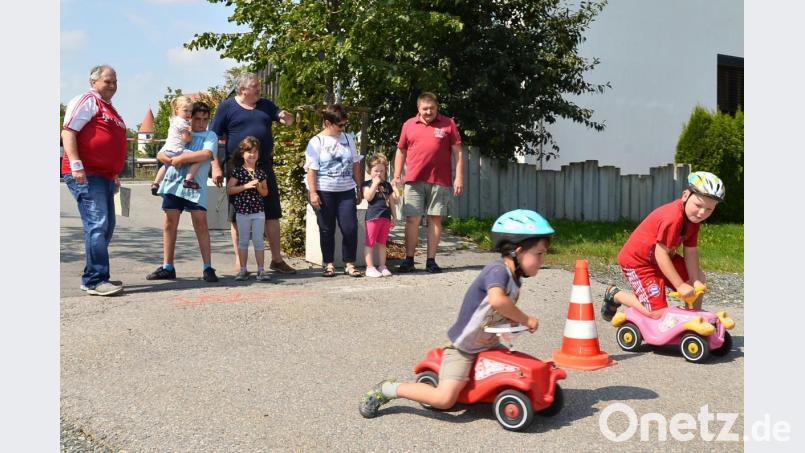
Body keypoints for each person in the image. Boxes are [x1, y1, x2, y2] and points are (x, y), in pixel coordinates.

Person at [359, 209, 553, 418]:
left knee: (520, 367)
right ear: (518, 251)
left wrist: (515, 325)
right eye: (539, 254)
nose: (542, 260)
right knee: (444, 400)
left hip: (488, 344)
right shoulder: (497, 271)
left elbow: (496, 312)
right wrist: (525, 318)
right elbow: (497, 300)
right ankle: (388, 389)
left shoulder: (515, 277)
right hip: (463, 348)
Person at [601, 171, 725, 321]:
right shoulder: (673, 218)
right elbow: (661, 254)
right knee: (657, 313)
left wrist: (694, 280)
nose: (701, 213)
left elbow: (691, 252)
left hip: (663, 260)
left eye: (709, 209)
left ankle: (693, 320)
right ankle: (616, 294)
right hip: (639, 263)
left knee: (698, 280)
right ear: (685, 195)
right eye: (698, 205)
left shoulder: (693, 220)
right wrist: (680, 286)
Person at [210, 73, 297, 274]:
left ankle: (277, 260)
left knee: (272, 213)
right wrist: (216, 166)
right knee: (238, 215)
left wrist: (287, 117)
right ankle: (241, 263)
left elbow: (287, 120)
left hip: (263, 167)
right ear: (242, 90)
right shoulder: (227, 107)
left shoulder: (266, 105)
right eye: (255, 86)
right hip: (237, 167)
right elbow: (212, 138)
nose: (260, 89)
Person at [61, 65, 127, 296]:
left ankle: (92, 276)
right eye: (108, 81)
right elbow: (68, 132)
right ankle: (96, 280)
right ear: (93, 81)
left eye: (115, 81)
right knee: (97, 224)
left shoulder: (110, 108)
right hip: (87, 173)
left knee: (106, 226)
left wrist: (114, 171)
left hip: (105, 176)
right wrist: (77, 165)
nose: (112, 85)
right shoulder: (87, 100)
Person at [145, 101, 223, 283]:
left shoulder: (210, 135)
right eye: (197, 119)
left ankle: (207, 267)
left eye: (205, 119)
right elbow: (162, 154)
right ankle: (167, 266)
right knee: (169, 223)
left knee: (201, 224)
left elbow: (206, 154)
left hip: (195, 187)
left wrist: (182, 158)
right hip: (173, 183)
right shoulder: (179, 130)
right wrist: (173, 161)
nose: (201, 123)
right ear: (190, 117)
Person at [392, 92, 464, 274]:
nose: (429, 111)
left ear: (437, 107)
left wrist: (459, 177)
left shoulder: (448, 124)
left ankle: (431, 260)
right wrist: (397, 174)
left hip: (441, 180)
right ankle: (408, 260)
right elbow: (401, 151)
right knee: (412, 219)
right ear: (419, 109)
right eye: (425, 108)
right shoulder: (409, 125)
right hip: (414, 179)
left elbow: (458, 153)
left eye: (432, 108)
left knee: (435, 218)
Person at [304, 104, 364, 277]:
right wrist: (313, 193)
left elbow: (355, 163)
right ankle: (328, 263)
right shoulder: (317, 141)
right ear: (328, 123)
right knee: (326, 228)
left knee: (350, 227)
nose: (343, 128)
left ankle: (350, 263)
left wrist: (359, 187)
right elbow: (312, 169)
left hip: (345, 190)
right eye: (340, 125)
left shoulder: (348, 138)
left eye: (345, 125)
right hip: (324, 190)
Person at [226, 136, 271, 281]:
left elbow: (265, 192)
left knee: (258, 240)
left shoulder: (261, 173)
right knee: (243, 241)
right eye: (249, 152)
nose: (252, 155)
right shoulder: (238, 172)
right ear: (242, 154)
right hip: (242, 212)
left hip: (258, 212)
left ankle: (261, 270)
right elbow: (229, 189)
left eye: (255, 152)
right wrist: (245, 186)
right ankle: (243, 270)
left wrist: (258, 187)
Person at [151, 95, 202, 195]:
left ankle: (156, 183)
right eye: (185, 110)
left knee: (165, 166)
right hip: (176, 150)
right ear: (177, 109)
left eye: (190, 111)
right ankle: (189, 180)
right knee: (197, 159)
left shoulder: (174, 119)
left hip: (167, 150)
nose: (188, 113)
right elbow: (185, 138)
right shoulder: (183, 123)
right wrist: (190, 136)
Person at [362, 153, 397, 278]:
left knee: (382, 243)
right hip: (372, 217)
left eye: (381, 171)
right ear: (369, 171)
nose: (379, 174)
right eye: (376, 171)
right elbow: (368, 197)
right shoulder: (367, 184)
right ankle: (369, 267)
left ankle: (382, 266)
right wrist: (375, 184)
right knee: (370, 242)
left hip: (385, 217)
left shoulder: (387, 185)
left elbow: (391, 202)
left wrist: (395, 216)